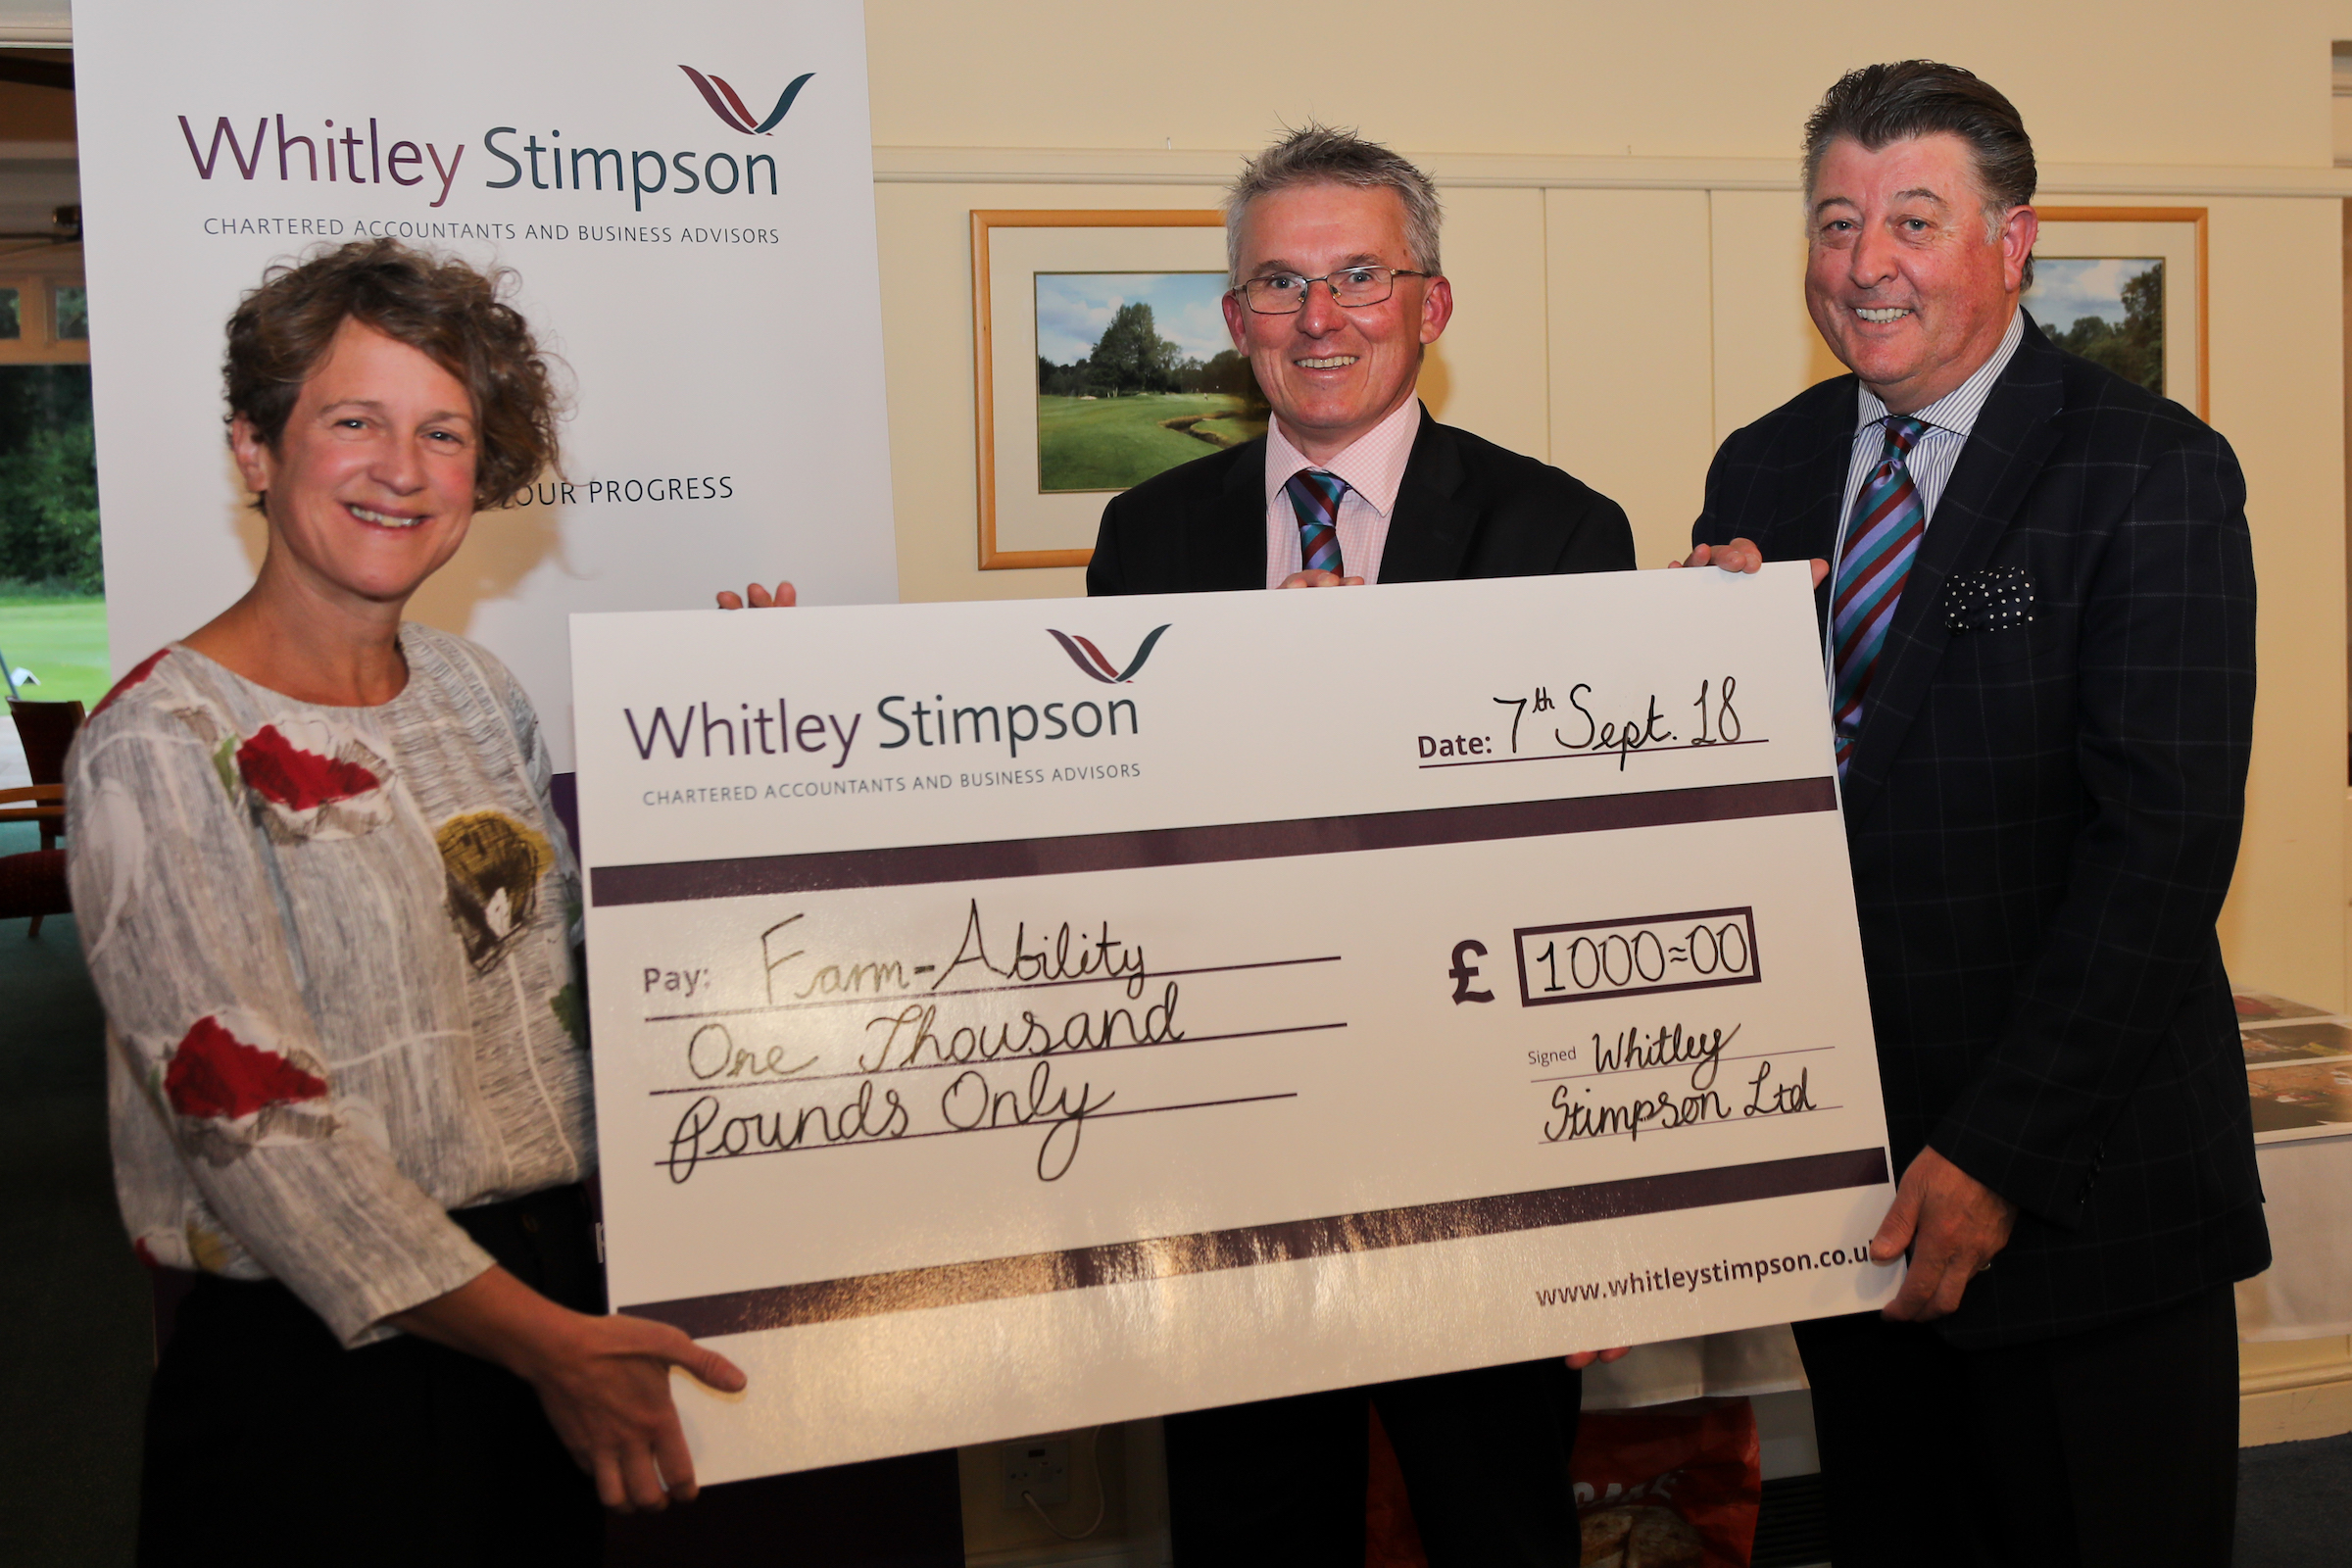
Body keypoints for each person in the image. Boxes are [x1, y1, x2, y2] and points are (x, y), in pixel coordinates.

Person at [66, 238, 746, 1566]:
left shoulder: (473, 693)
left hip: (550, 1317)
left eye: (443, 432)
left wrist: (770, 768)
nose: (402, 467)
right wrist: (551, 1350)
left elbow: (565, 992)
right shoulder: (159, 742)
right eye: (354, 421)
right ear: (256, 450)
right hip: (330, 1381)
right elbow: (259, 1138)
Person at [1683, 62, 2265, 1566]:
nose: (1864, 263)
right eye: (1834, 220)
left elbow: (2165, 848)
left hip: (2083, 1200)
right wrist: (1689, 686)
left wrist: (1996, 1155)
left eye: (1914, 220)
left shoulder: (2153, 472)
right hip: (1850, 1193)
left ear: (2012, 241)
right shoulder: (1767, 468)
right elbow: (1755, 822)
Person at [1087, 125, 1635, 1568]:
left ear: (1430, 306)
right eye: (1278, 284)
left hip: (1483, 1162)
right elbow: (1111, 851)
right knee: (1248, 1534)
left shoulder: (1561, 534)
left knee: (1499, 1527)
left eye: (1358, 278)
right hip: (1228, 1176)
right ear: (1234, 321)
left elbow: (1597, 883)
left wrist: (1603, 1218)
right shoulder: (1144, 538)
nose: (1318, 319)